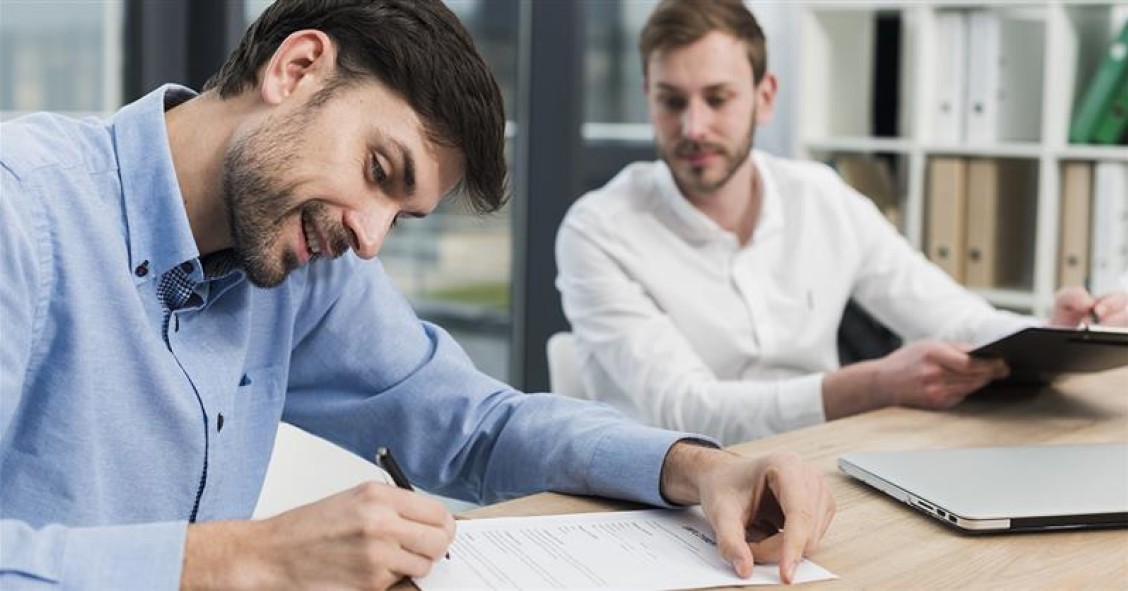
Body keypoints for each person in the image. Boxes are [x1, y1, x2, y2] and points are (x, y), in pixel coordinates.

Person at [0, 1, 836, 589]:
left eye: (403, 215)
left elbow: (477, 424)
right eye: (378, 170)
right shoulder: (21, 211)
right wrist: (247, 562)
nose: (370, 237)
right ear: (296, 68)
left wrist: (703, 469)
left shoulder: (302, 265)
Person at [555, 0, 1128, 446]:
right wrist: (872, 385)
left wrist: (1050, 336)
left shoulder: (821, 196)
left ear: (765, 96)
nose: (694, 126)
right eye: (672, 101)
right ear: (647, 99)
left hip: (824, 464)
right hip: (662, 495)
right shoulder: (599, 230)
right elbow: (683, 410)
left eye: (718, 98)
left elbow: (952, 315)